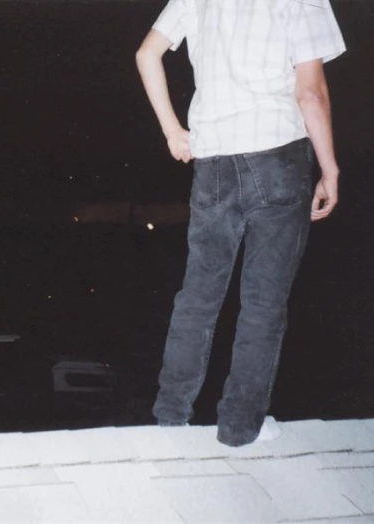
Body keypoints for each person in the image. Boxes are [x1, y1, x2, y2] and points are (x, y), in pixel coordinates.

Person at [136, 1, 345, 446]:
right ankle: (239, 428)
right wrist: (330, 169)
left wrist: (174, 131)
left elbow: (146, 53)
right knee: (263, 302)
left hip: (213, 161)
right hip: (278, 153)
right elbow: (311, 94)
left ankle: (170, 420)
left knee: (198, 295)